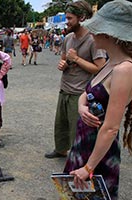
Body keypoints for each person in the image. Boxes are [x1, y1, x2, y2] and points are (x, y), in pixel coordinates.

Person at [64, 1, 132, 199]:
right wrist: (81, 106)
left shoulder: (124, 69)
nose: (91, 32)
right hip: (85, 141)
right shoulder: (112, 62)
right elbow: (88, 93)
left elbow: (111, 127)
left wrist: (88, 167)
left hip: (98, 150)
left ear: (110, 34)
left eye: (97, 28)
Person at [45, 0, 107, 159]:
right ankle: (60, 149)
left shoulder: (93, 40)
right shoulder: (68, 38)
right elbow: (65, 59)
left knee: (77, 128)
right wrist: (63, 64)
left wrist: (77, 59)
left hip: (80, 93)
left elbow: (101, 68)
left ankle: (78, 157)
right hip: (64, 88)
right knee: (61, 124)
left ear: (82, 17)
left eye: (70, 18)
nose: (67, 21)